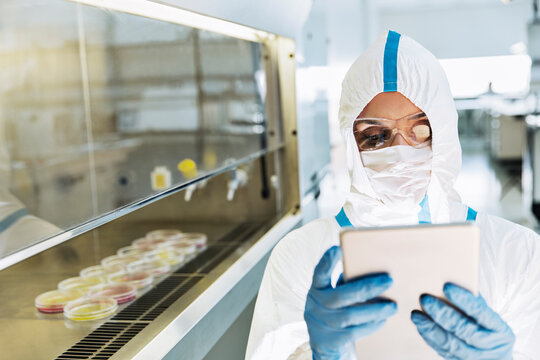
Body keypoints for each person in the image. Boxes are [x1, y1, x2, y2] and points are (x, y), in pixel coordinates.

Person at [245, 30, 540, 360]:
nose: (401, 151)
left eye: (420, 130)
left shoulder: (517, 254)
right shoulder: (300, 257)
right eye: (375, 136)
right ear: (350, 143)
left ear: (443, 131)